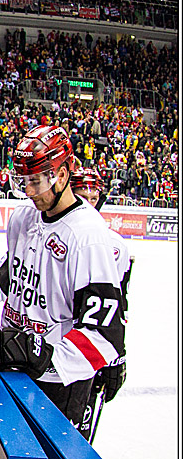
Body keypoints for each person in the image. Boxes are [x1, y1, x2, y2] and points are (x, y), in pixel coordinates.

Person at [0, 126, 125, 434]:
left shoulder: (89, 237)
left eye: (37, 181)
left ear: (61, 174)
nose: (30, 191)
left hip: (58, 383)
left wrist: (43, 354)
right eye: (24, 182)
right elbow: (12, 281)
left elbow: (105, 335)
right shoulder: (22, 218)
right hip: (10, 365)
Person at [69, 166, 130, 442]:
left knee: (77, 438)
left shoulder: (115, 245)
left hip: (87, 352)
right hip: (53, 349)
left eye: (94, 197)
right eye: (82, 195)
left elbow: (119, 305)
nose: (89, 203)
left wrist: (117, 357)